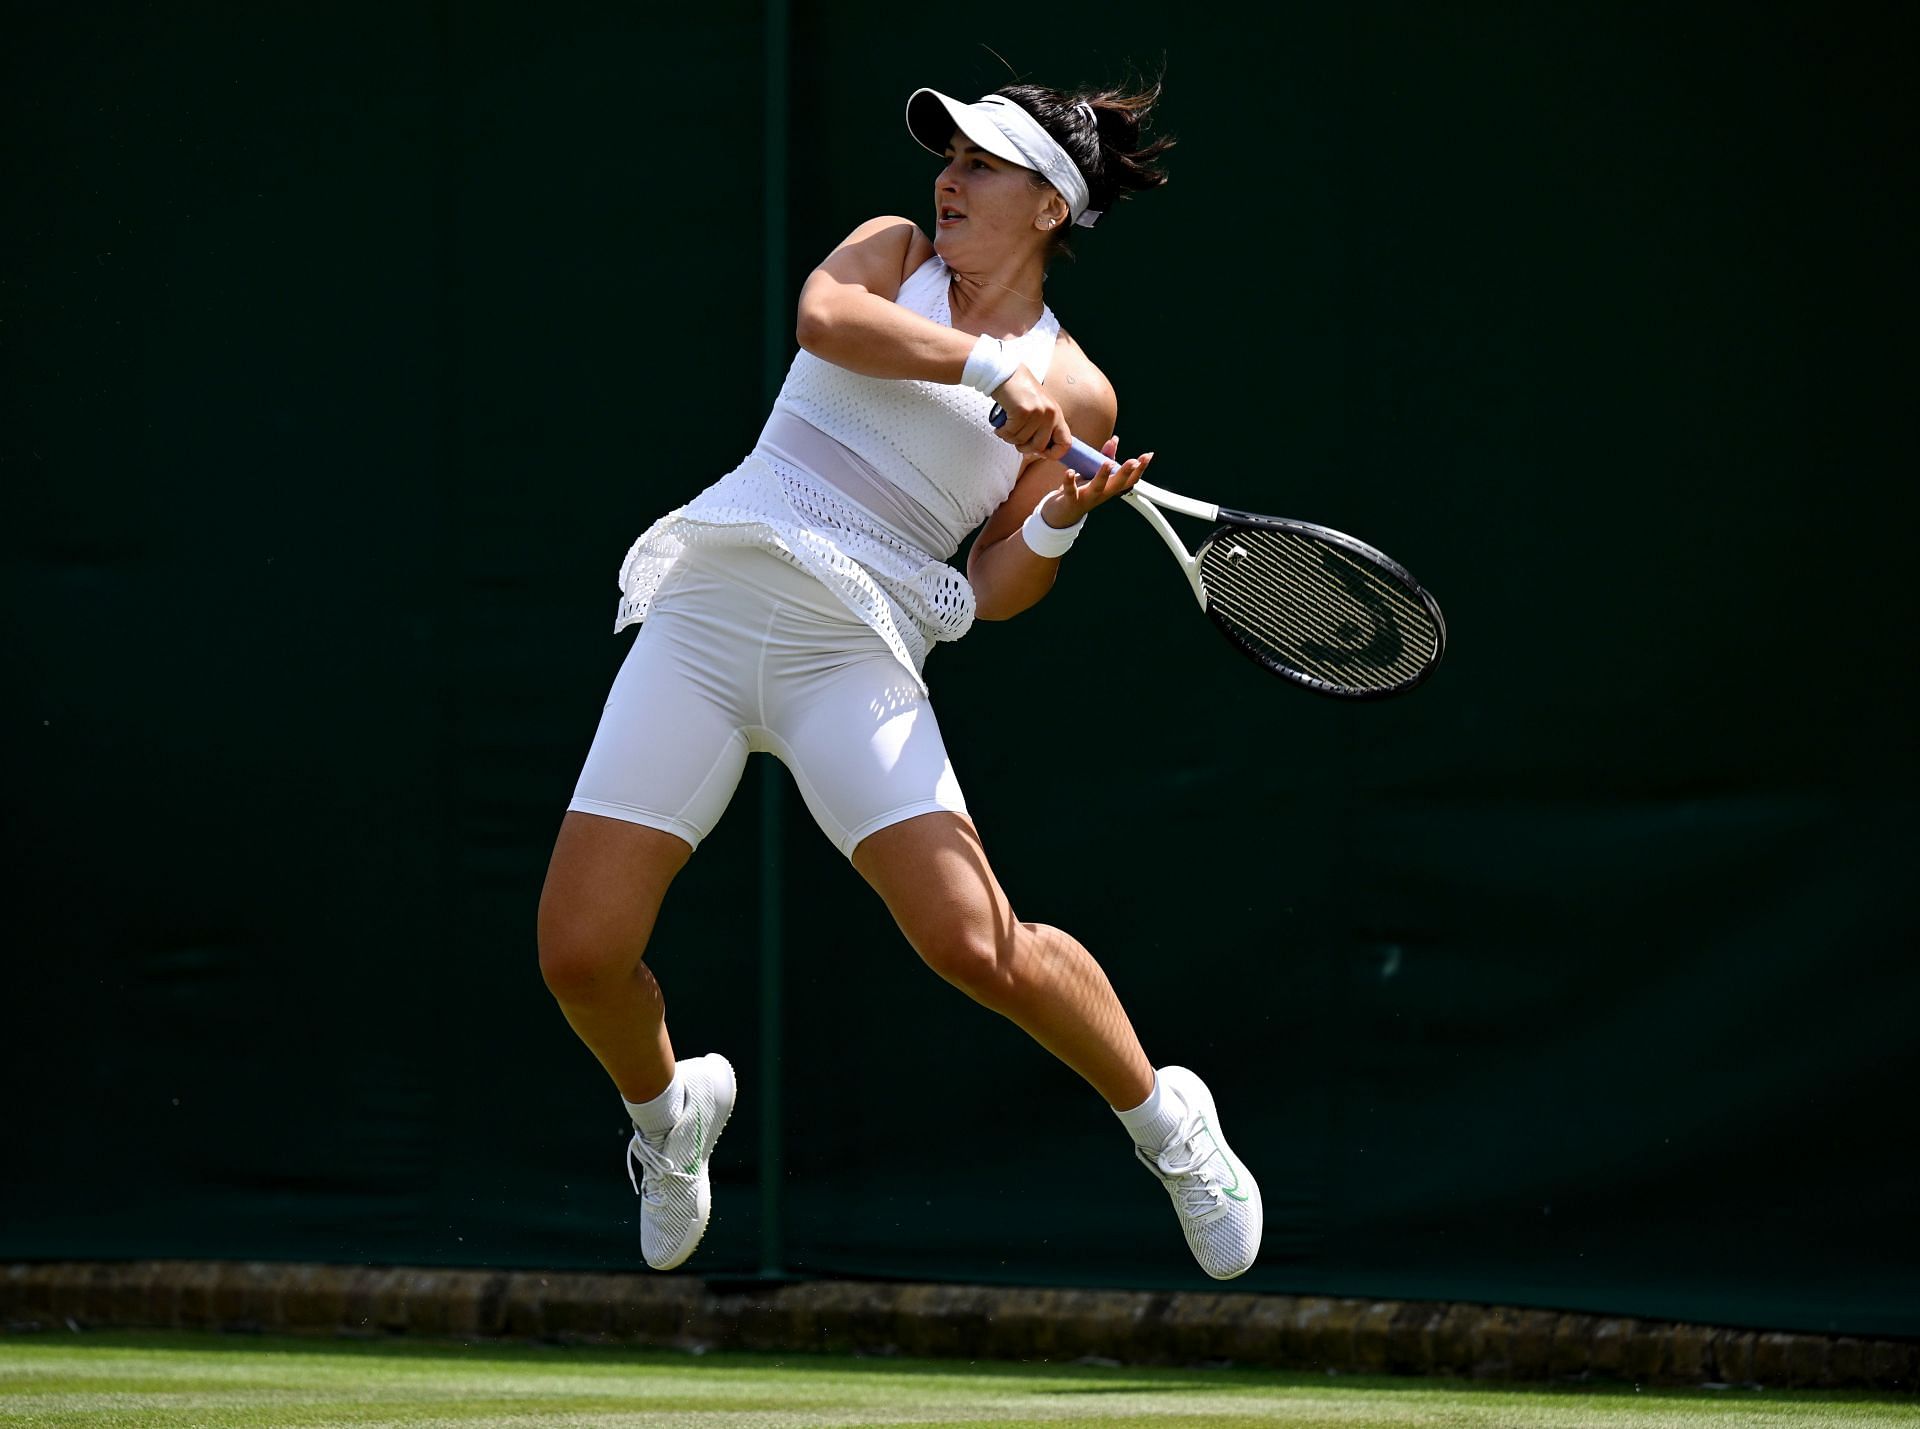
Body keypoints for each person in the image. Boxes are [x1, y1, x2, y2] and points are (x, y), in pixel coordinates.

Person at [536, 79, 1263, 1280]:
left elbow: (987, 586)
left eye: (984, 165)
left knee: (974, 944)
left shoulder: (1077, 391)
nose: (951, 180)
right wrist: (986, 373)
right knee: (578, 954)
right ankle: (670, 1114)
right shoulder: (888, 252)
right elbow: (827, 322)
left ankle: (1166, 1118)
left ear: (1048, 205)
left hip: (850, 656)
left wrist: (1061, 523)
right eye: (951, 158)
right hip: (710, 617)